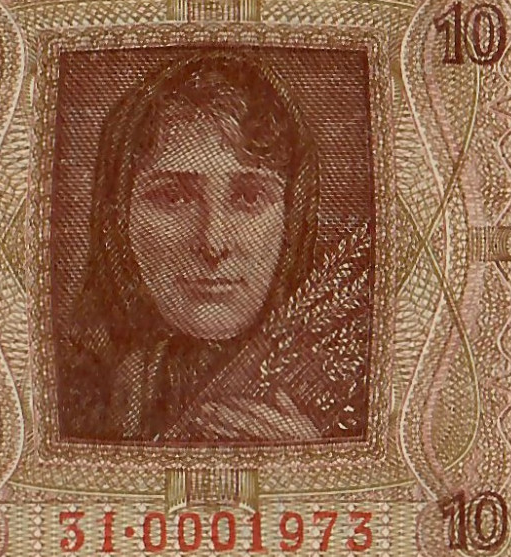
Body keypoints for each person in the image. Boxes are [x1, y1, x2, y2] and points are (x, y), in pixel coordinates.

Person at [56, 48, 369, 444]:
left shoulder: (354, 378)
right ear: (118, 218)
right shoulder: (69, 390)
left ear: (293, 219)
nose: (213, 242)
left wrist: (312, 464)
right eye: (173, 197)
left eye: (249, 197)